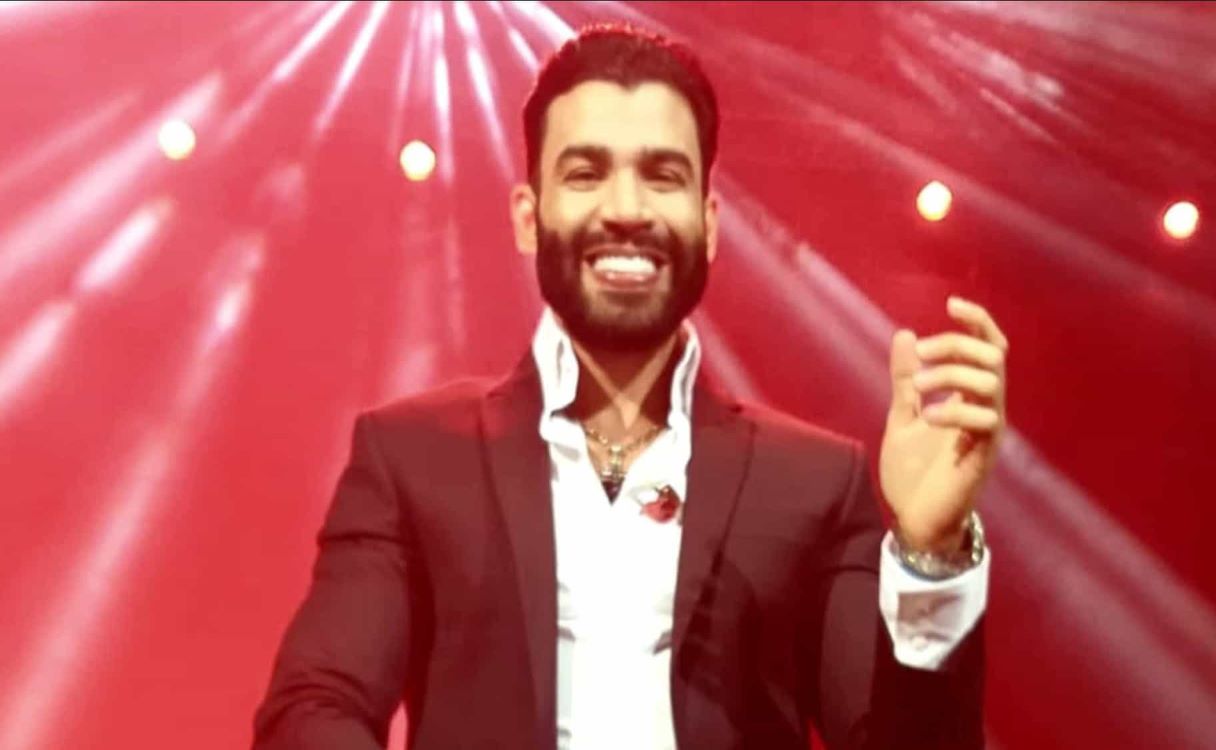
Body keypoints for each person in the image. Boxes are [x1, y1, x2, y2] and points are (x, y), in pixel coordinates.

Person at [253, 22, 1007, 750]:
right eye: (585, 174)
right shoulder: (414, 457)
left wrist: (930, 556)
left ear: (708, 222)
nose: (625, 210)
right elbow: (312, 709)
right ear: (529, 216)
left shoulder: (814, 481)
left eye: (662, 176)